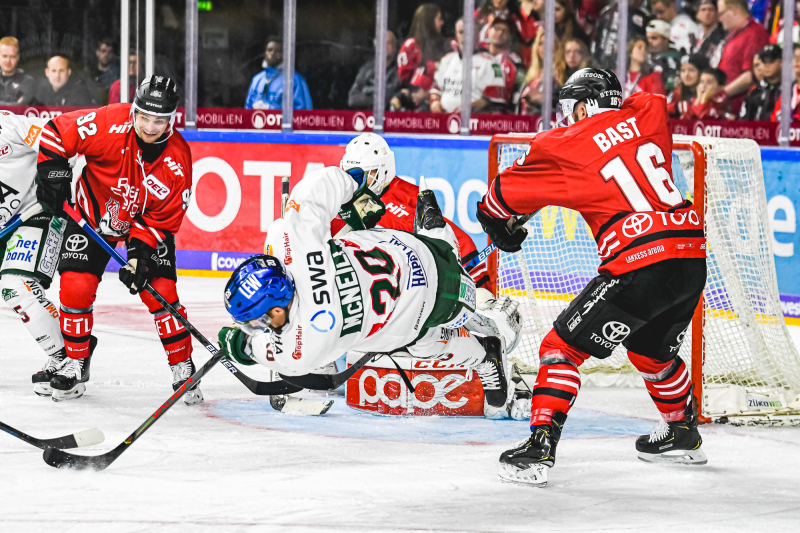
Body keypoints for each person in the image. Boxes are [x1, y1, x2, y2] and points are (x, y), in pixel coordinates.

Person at [479, 68, 708, 486]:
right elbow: (644, 100)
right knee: (651, 352)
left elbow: (497, 200)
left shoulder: (562, 142)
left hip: (639, 261)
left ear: (583, 107)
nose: (568, 117)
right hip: (690, 257)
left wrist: (497, 225)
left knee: (559, 348)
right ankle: (681, 430)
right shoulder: (648, 115)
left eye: (571, 109)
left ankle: (538, 449)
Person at [218, 167, 520, 418]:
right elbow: (318, 186)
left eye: (259, 321)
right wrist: (354, 187)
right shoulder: (289, 238)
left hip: (427, 301)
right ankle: (432, 230)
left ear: (276, 310)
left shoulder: (303, 343)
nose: (258, 326)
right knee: (427, 335)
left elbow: (260, 349)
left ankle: (486, 352)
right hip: (406, 250)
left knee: (449, 326)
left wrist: (239, 344)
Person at [35, 76, 202, 404]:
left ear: (171, 120)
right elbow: (56, 132)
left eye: (159, 121)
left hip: (142, 223)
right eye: (145, 117)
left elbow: (161, 219)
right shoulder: (109, 121)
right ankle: (75, 362)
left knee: (161, 293)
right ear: (134, 111)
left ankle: (182, 364)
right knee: (75, 285)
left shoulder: (177, 160)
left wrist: (139, 256)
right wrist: (53, 174)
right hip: (90, 217)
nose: (150, 127)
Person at [331, 133, 490, 288]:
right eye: (350, 173)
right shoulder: (344, 200)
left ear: (384, 169)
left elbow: (458, 242)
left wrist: (476, 285)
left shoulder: (406, 200)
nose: (356, 182)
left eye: (365, 173)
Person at [0, 111, 67, 398]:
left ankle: (67, 359)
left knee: (15, 286)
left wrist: (57, 176)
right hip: (5, 227)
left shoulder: (10, 127)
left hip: (36, 214)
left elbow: (59, 139)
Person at [429, 18, 506, 115]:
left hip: (474, 120)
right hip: (443, 119)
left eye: (469, 32)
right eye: (461, 32)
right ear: (456, 35)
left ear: (478, 35)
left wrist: (471, 107)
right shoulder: (446, 60)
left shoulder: (491, 64)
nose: (465, 36)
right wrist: (435, 102)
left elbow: (495, 100)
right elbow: (436, 90)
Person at [714, 0, 770, 113]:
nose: (719, 19)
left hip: (741, 111)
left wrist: (720, 94)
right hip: (727, 109)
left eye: (721, 14)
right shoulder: (735, 35)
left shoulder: (754, 33)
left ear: (734, 11)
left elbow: (751, 75)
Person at [392, 4, 446, 111]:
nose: (442, 22)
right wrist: (413, 92)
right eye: (439, 19)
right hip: (416, 105)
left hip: (439, 101)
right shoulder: (411, 46)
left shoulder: (446, 45)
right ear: (429, 22)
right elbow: (403, 80)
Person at [245, 38, 313, 110]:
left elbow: (303, 113)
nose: (273, 53)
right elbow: (247, 109)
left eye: (278, 51)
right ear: (265, 53)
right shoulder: (257, 80)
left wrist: (271, 109)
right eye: (269, 50)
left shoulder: (295, 80)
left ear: (284, 54)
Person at [592, 0, 652, 70]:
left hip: (627, 67)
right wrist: (595, 59)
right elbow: (596, 37)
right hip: (603, 64)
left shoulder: (643, 16)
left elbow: (643, 41)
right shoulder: (607, 11)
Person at [348, 31, 401, 110]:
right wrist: (378, 97)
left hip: (390, 116)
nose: (384, 46)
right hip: (368, 116)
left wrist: (367, 91)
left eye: (388, 43)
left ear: (394, 48)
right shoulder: (366, 70)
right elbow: (352, 99)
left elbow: (394, 92)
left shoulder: (400, 70)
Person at [483, 15, 526, 113]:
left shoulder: (517, 64)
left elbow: (518, 93)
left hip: (504, 114)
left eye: (505, 30)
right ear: (489, 31)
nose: (500, 33)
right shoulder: (477, 57)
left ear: (510, 37)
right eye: (496, 28)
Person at [519, 28, 565, 115]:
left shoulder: (562, 71)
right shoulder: (532, 74)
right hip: (525, 120)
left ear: (556, 47)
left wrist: (543, 99)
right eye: (540, 43)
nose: (544, 47)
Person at [34, 56, 99, 107]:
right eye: (54, 71)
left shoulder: (80, 93)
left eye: (61, 71)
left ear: (69, 72)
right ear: (47, 72)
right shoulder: (40, 93)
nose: (57, 75)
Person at [739, 44, 782, 121]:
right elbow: (744, 122)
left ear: (781, 63)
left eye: (771, 61)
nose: (767, 65)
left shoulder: (789, 90)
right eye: (764, 61)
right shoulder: (754, 92)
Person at [646, 19, 682, 93]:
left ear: (666, 40)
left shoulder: (672, 59)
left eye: (654, 38)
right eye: (647, 38)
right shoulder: (645, 57)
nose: (649, 42)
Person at [0, 36, 36, 106]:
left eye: (12, 56)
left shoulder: (28, 81)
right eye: (4, 56)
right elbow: (18, 105)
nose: (8, 61)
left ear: (18, 57)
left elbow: (23, 106)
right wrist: (15, 103)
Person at [91, 38, 121, 103]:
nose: (106, 54)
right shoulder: (91, 74)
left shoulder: (117, 75)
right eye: (103, 51)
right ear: (97, 52)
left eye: (110, 52)